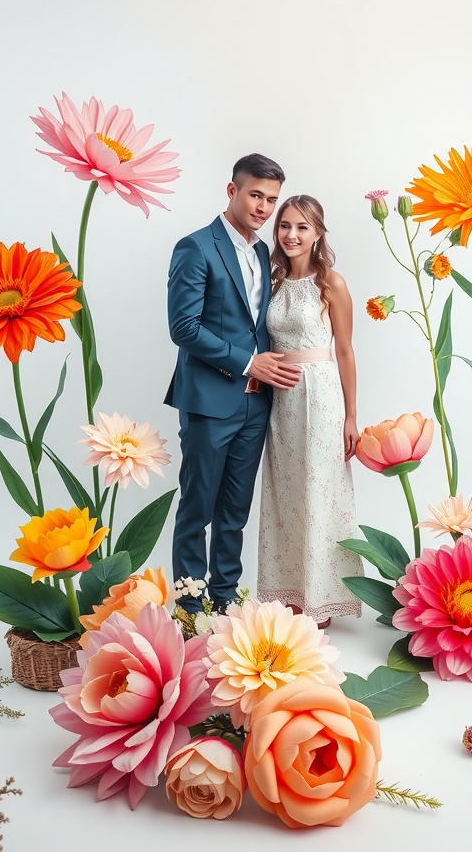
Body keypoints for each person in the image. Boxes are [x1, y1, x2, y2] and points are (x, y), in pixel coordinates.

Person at [165, 154, 301, 614]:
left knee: (235, 513)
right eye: (255, 195)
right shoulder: (196, 247)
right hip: (208, 400)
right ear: (232, 191)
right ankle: (189, 607)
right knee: (197, 508)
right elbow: (183, 328)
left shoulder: (264, 251)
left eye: (271, 199)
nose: (264, 207)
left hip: (256, 405)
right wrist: (249, 364)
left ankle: (224, 602)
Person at [257, 194, 363, 628]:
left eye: (302, 227)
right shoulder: (272, 280)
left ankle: (322, 598)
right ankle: (290, 594)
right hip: (280, 400)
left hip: (319, 397)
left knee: (320, 493)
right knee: (285, 496)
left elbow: (344, 350)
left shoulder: (331, 283)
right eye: (285, 226)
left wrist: (351, 416)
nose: (292, 235)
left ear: (318, 232)